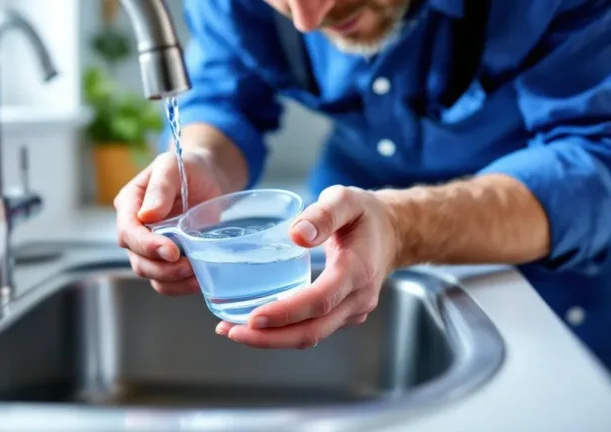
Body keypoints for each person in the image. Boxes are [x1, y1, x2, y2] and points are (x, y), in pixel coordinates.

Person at [114, 0, 611, 369]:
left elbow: (594, 160)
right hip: (341, 268)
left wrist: (401, 226)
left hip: (555, 296)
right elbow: (226, 92)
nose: (307, 19)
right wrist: (205, 162)